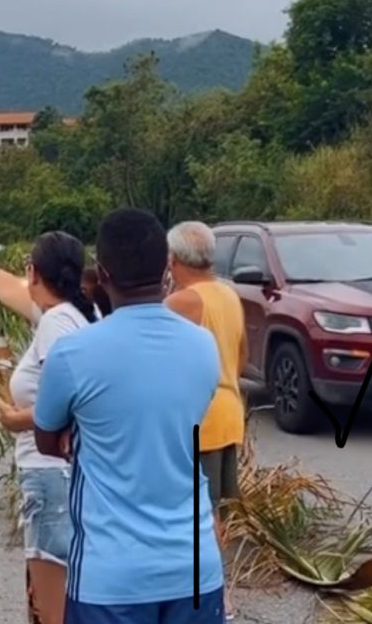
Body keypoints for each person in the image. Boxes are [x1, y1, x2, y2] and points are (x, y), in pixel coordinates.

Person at [34, 208, 225, 624]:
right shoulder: (203, 347)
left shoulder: (73, 354)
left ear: (101, 274)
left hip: (110, 577)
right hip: (195, 568)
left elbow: (46, 439)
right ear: (166, 270)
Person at [0, 232, 96, 624]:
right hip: (67, 474)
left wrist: (18, 420)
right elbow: (12, 293)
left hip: (50, 475)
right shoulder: (78, 314)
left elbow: (73, 399)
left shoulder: (56, 324)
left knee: (50, 603)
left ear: (34, 272)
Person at [165, 221, 247, 619]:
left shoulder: (183, 302)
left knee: (201, 512)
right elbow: (243, 356)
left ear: (174, 259)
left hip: (202, 420)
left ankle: (217, 594)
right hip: (229, 413)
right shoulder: (229, 296)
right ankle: (212, 587)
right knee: (214, 509)